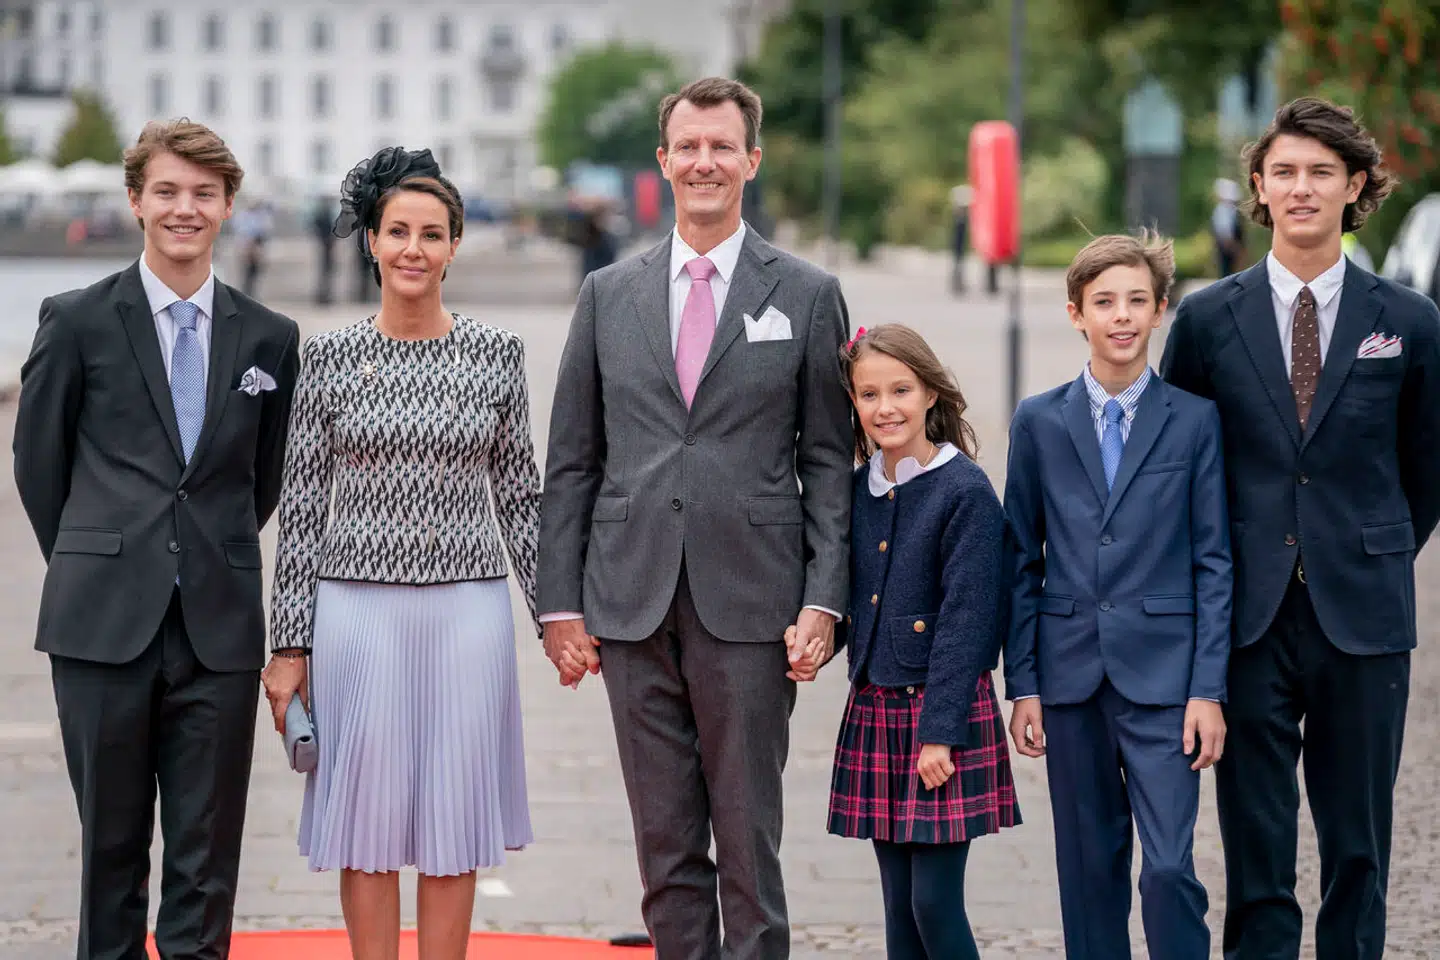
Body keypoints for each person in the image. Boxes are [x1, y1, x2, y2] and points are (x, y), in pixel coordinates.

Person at [536, 77, 853, 959]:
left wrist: (825, 600)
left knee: (749, 836)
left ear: (751, 160)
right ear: (665, 160)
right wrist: (559, 604)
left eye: (723, 146)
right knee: (665, 844)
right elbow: (572, 462)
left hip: (753, 605)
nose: (705, 161)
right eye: (689, 146)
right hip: (630, 602)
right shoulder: (607, 293)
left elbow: (829, 461)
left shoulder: (808, 292)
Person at [12, 119, 301, 959]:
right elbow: (39, 467)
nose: (185, 209)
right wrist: (102, 551)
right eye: (167, 192)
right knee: (109, 850)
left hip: (218, 629)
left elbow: (264, 476)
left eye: (203, 194)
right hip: (100, 625)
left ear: (228, 207)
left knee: (207, 861)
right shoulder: (74, 321)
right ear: (135, 201)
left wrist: (202, 551)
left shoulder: (270, 337)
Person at [1162, 97, 1440, 959]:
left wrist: (1368, 545)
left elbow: (1426, 468)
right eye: (1284, 171)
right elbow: (1182, 465)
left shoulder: (1411, 321)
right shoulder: (1208, 319)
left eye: (1322, 172)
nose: (1302, 187)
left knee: (1358, 842)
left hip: (1364, 616)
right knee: (1257, 839)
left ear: (1356, 186)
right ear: (1259, 187)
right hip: (1246, 615)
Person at [265, 147, 541, 959]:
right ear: (373, 243)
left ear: (455, 244)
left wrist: (557, 614)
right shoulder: (330, 356)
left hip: (469, 610)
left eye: (431, 233)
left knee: (454, 817)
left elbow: (521, 495)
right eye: (397, 232)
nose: (413, 248)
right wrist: (288, 647)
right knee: (368, 819)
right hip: (356, 610)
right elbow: (303, 507)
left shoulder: (498, 354)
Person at [1005, 232, 1232, 959]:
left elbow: (1214, 561)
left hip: (1166, 681)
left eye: (1138, 300)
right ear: (1077, 314)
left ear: (1162, 310)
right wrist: (1025, 684)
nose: (1122, 316)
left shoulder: (1195, 422)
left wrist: (1208, 688)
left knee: (1167, 869)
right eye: (1105, 302)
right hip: (1070, 678)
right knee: (1088, 874)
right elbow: (1020, 559)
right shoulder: (1039, 421)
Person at [827, 324, 1019, 960]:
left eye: (901, 390)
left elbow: (969, 621)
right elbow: (859, 603)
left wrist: (940, 731)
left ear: (932, 393)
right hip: (876, 709)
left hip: (942, 715)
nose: (886, 408)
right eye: (868, 394)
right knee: (897, 906)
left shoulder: (965, 491)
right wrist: (815, 641)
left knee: (933, 903)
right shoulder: (859, 490)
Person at [1212, 177, 1248, 278]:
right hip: (1229, 248)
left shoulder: (1226, 210)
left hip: (1230, 247)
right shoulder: (1224, 210)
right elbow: (1225, 234)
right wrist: (1235, 248)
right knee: (1228, 273)